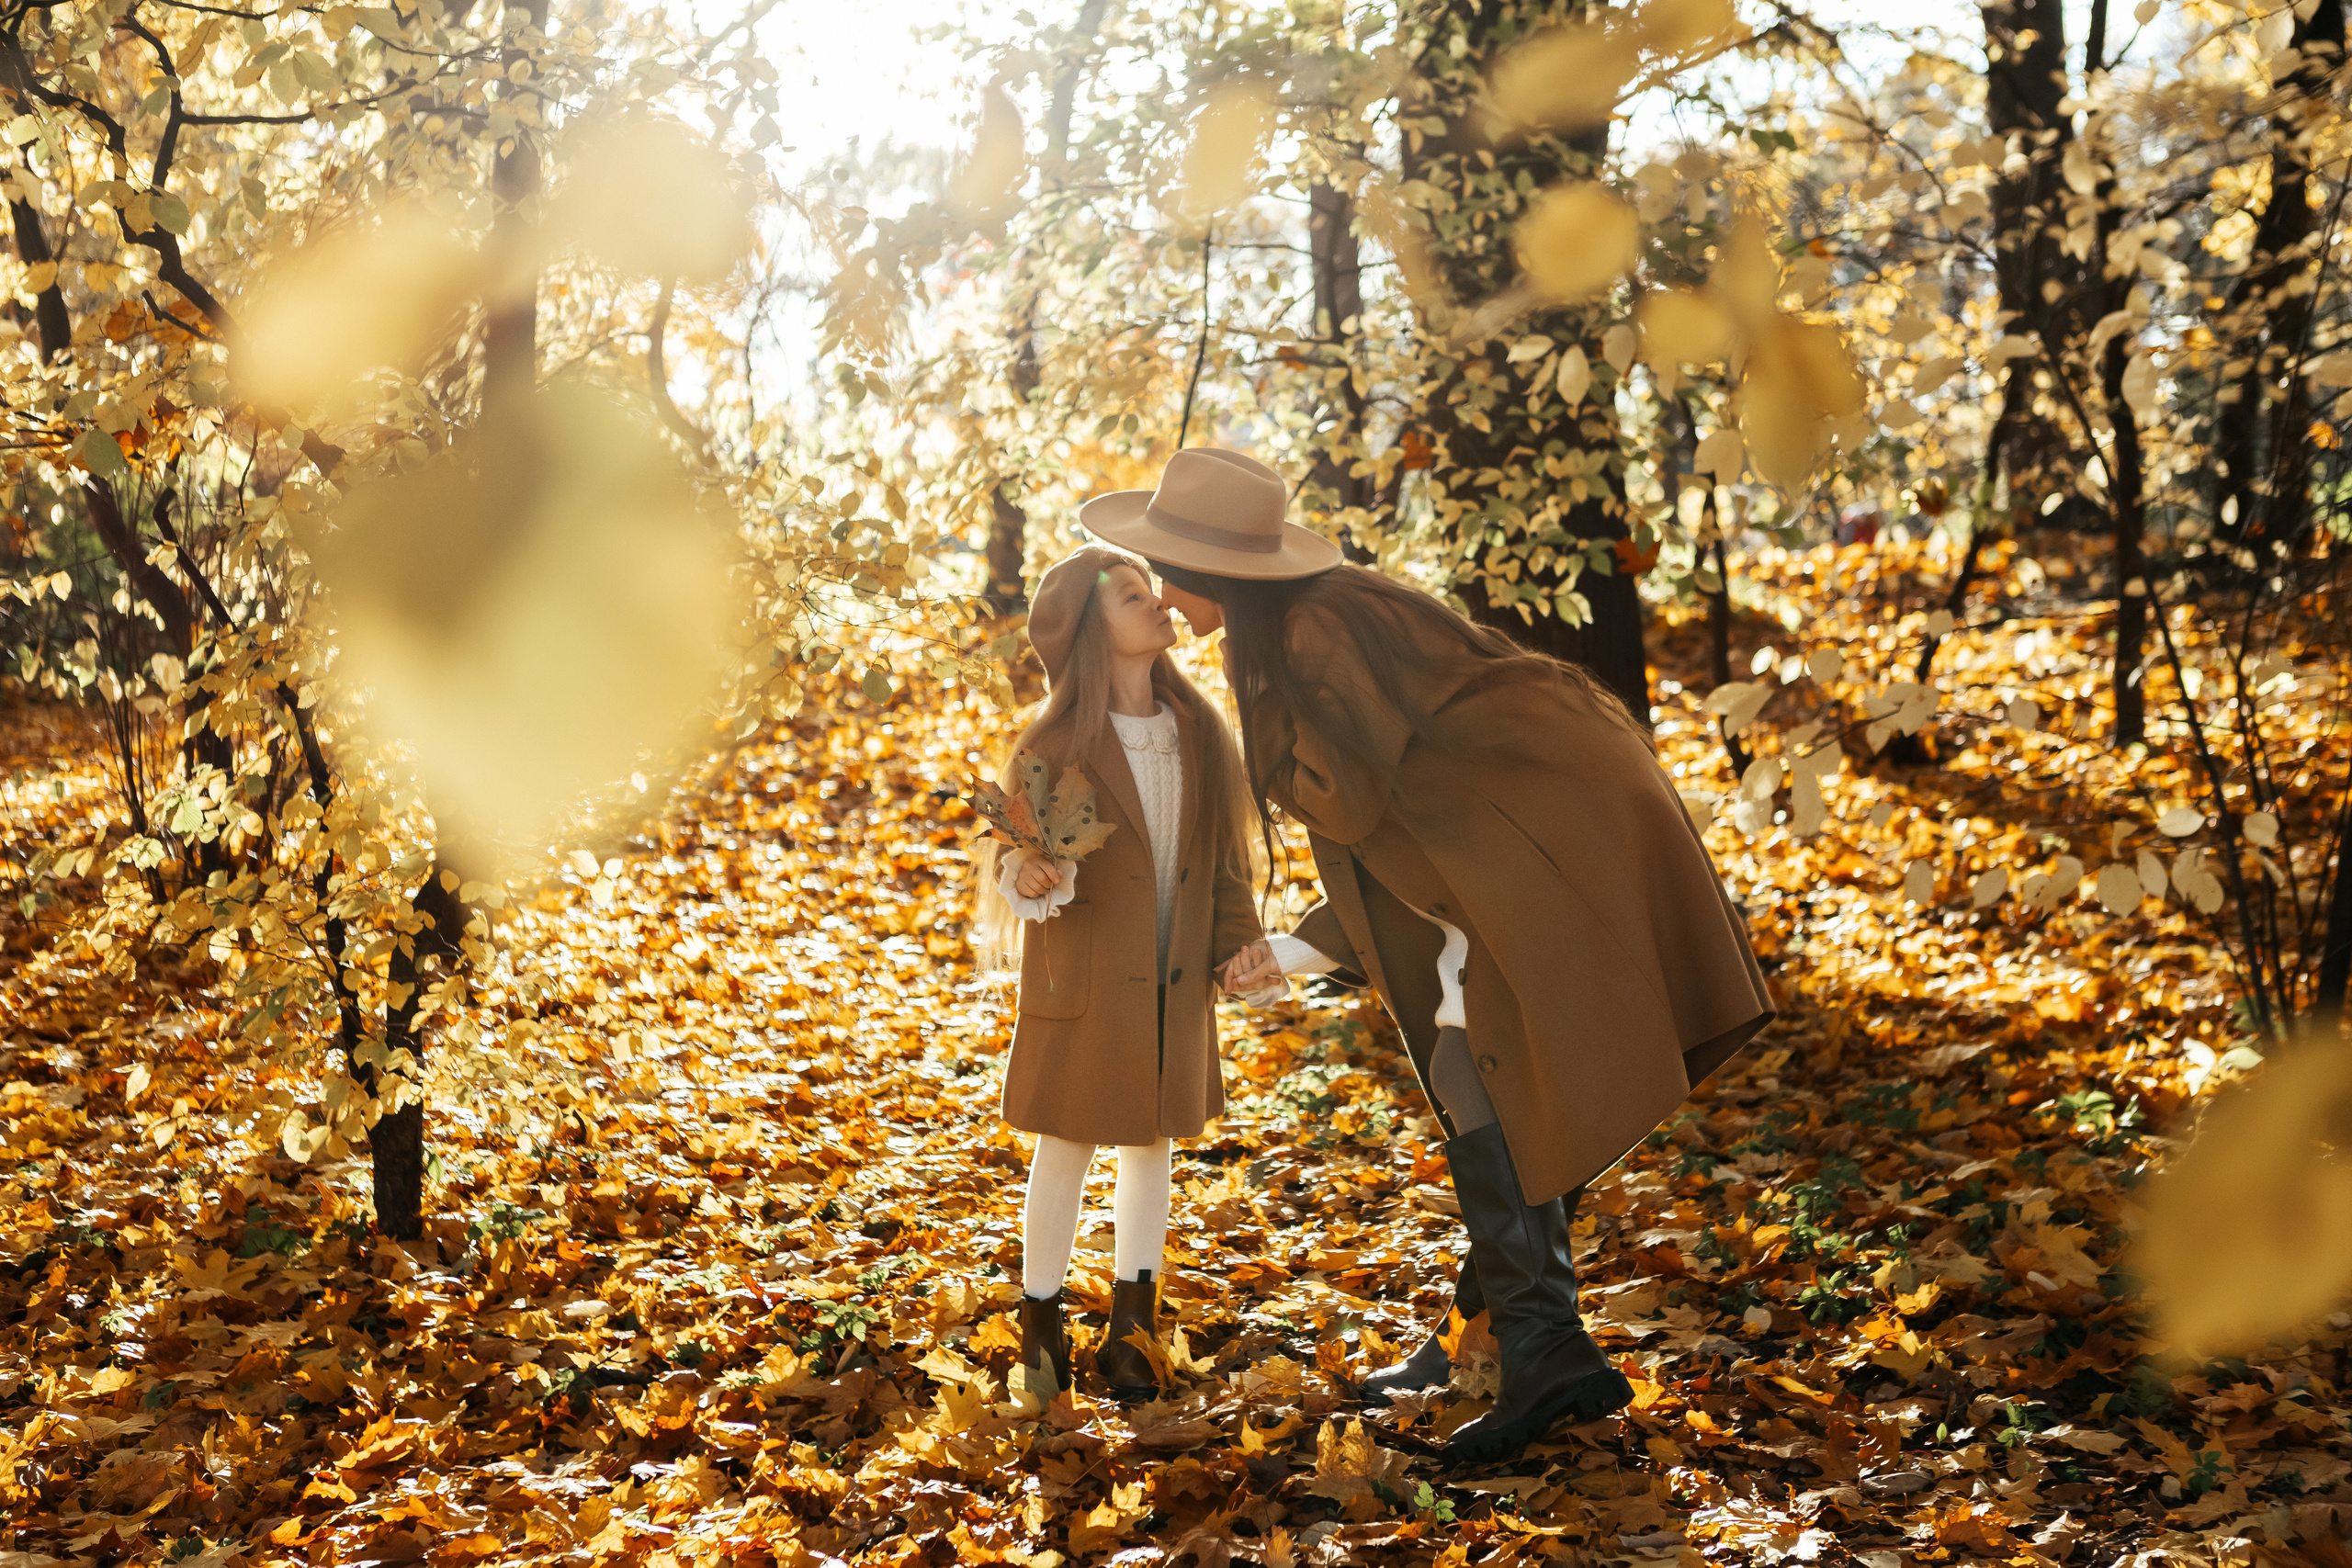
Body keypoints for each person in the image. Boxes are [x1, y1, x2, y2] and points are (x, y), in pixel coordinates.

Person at [1077, 447, 1774, 1462]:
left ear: (1216, 572)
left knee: (1484, 1065)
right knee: (1484, 1071)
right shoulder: (1311, 616)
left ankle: (1543, 1352)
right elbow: (1388, 816)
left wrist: (1245, 756)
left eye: (1167, 572)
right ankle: (1494, 1335)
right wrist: (1297, 947)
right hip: (1529, 827)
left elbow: (1350, 802)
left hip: (1549, 834)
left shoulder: (1310, 635)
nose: (1166, 599)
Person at [975, 545, 1271, 1402]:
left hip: (1172, 980)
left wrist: (1238, 943)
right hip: (1089, 981)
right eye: (1133, 596)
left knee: (1152, 1146)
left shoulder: (1200, 731)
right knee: (1065, 1143)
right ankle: (1040, 1326)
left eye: (1153, 591)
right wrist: (1021, 875)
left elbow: (1224, 861)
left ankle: (1133, 1329)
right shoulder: (1056, 741)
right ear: (1092, 634)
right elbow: (1014, 853)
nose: (1158, 604)